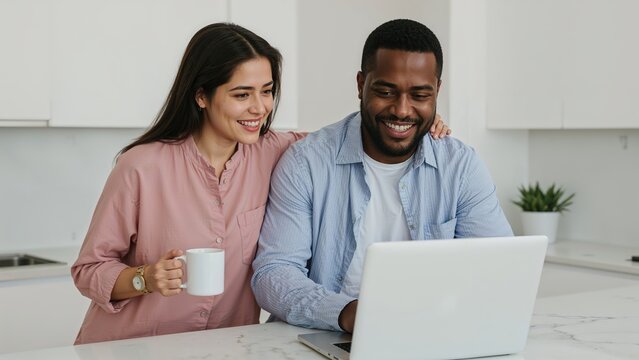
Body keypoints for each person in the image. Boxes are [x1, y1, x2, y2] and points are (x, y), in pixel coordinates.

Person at [71, 22, 451, 344]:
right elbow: (88, 269)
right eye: (242, 94)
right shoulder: (142, 166)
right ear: (202, 95)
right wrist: (144, 278)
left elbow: (351, 137)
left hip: (225, 348)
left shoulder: (277, 152)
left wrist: (414, 121)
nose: (260, 108)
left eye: (267, 91)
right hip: (130, 349)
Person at [251, 19, 513, 334]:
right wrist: (345, 313)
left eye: (419, 95)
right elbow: (274, 272)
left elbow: (499, 268)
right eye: (386, 91)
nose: (402, 110)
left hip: (430, 331)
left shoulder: (461, 167)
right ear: (361, 84)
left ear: (437, 91)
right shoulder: (306, 162)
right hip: (324, 333)